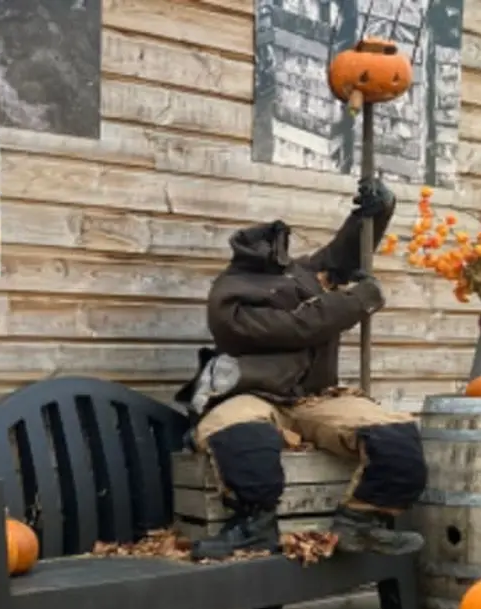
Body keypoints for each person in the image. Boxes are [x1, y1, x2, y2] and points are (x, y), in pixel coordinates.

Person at [173, 176, 427, 561]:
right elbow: (298, 327)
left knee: (394, 435)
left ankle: (362, 523)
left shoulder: (301, 275)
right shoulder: (227, 297)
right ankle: (253, 527)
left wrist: (374, 214)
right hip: (251, 393)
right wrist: (359, 300)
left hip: (315, 398)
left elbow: (343, 257)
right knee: (238, 436)